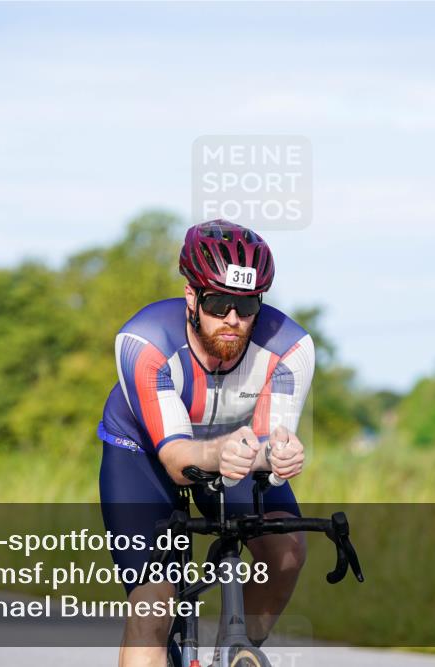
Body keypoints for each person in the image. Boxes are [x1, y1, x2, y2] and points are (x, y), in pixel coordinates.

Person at [98, 219, 316, 666]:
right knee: (153, 607)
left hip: (232, 452)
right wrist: (222, 452)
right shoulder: (144, 342)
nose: (234, 320)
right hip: (143, 454)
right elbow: (178, 458)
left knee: (288, 550)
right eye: (218, 303)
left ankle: (236, 651)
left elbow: (268, 443)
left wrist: (280, 455)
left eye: (247, 304)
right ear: (192, 297)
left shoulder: (290, 348)